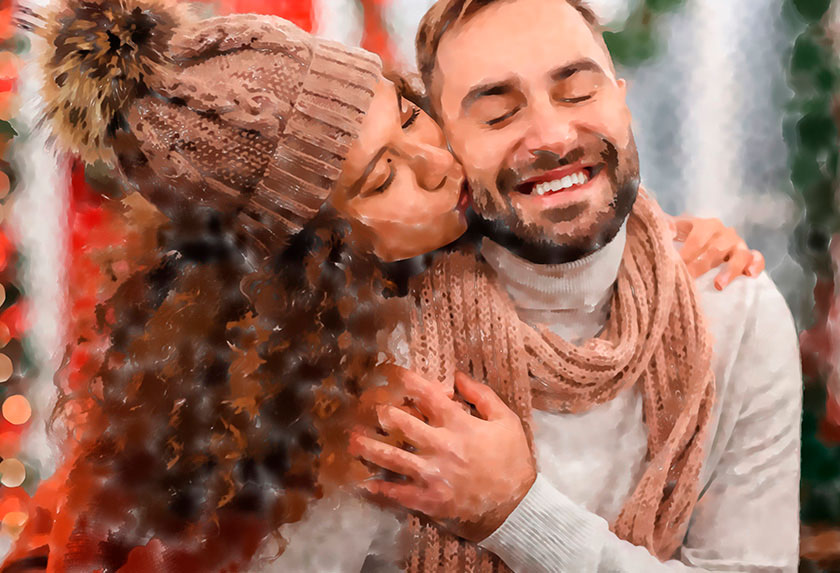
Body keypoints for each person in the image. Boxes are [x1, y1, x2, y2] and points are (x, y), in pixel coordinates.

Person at [2, 1, 764, 571]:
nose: (436, 161)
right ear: (309, 258)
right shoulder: (314, 433)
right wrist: (512, 510)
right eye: (383, 176)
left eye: (407, 114)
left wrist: (659, 243)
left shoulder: (446, 256)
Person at [347, 0, 802, 572]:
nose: (553, 136)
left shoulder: (735, 309)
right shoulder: (379, 344)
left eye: (579, 92)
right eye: (496, 114)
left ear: (622, 99)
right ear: (448, 150)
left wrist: (517, 514)